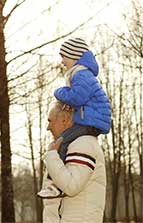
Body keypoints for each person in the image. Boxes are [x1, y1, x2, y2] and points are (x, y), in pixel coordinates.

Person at [38, 37, 111, 198]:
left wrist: (59, 92)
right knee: (64, 141)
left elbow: (77, 97)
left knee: (62, 142)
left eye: (64, 56)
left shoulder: (81, 74)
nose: (62, 61)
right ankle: (54, 184)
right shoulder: (81, 74)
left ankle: (55, 185)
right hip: (90, 118)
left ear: (74, 56)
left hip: (91, 120)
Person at [41, 101, 106, 223]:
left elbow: (71, 186)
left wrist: (51, 155)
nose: (48, 127)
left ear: (64, 120)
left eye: (50, 121)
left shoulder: (83, 144)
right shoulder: (66, 148)